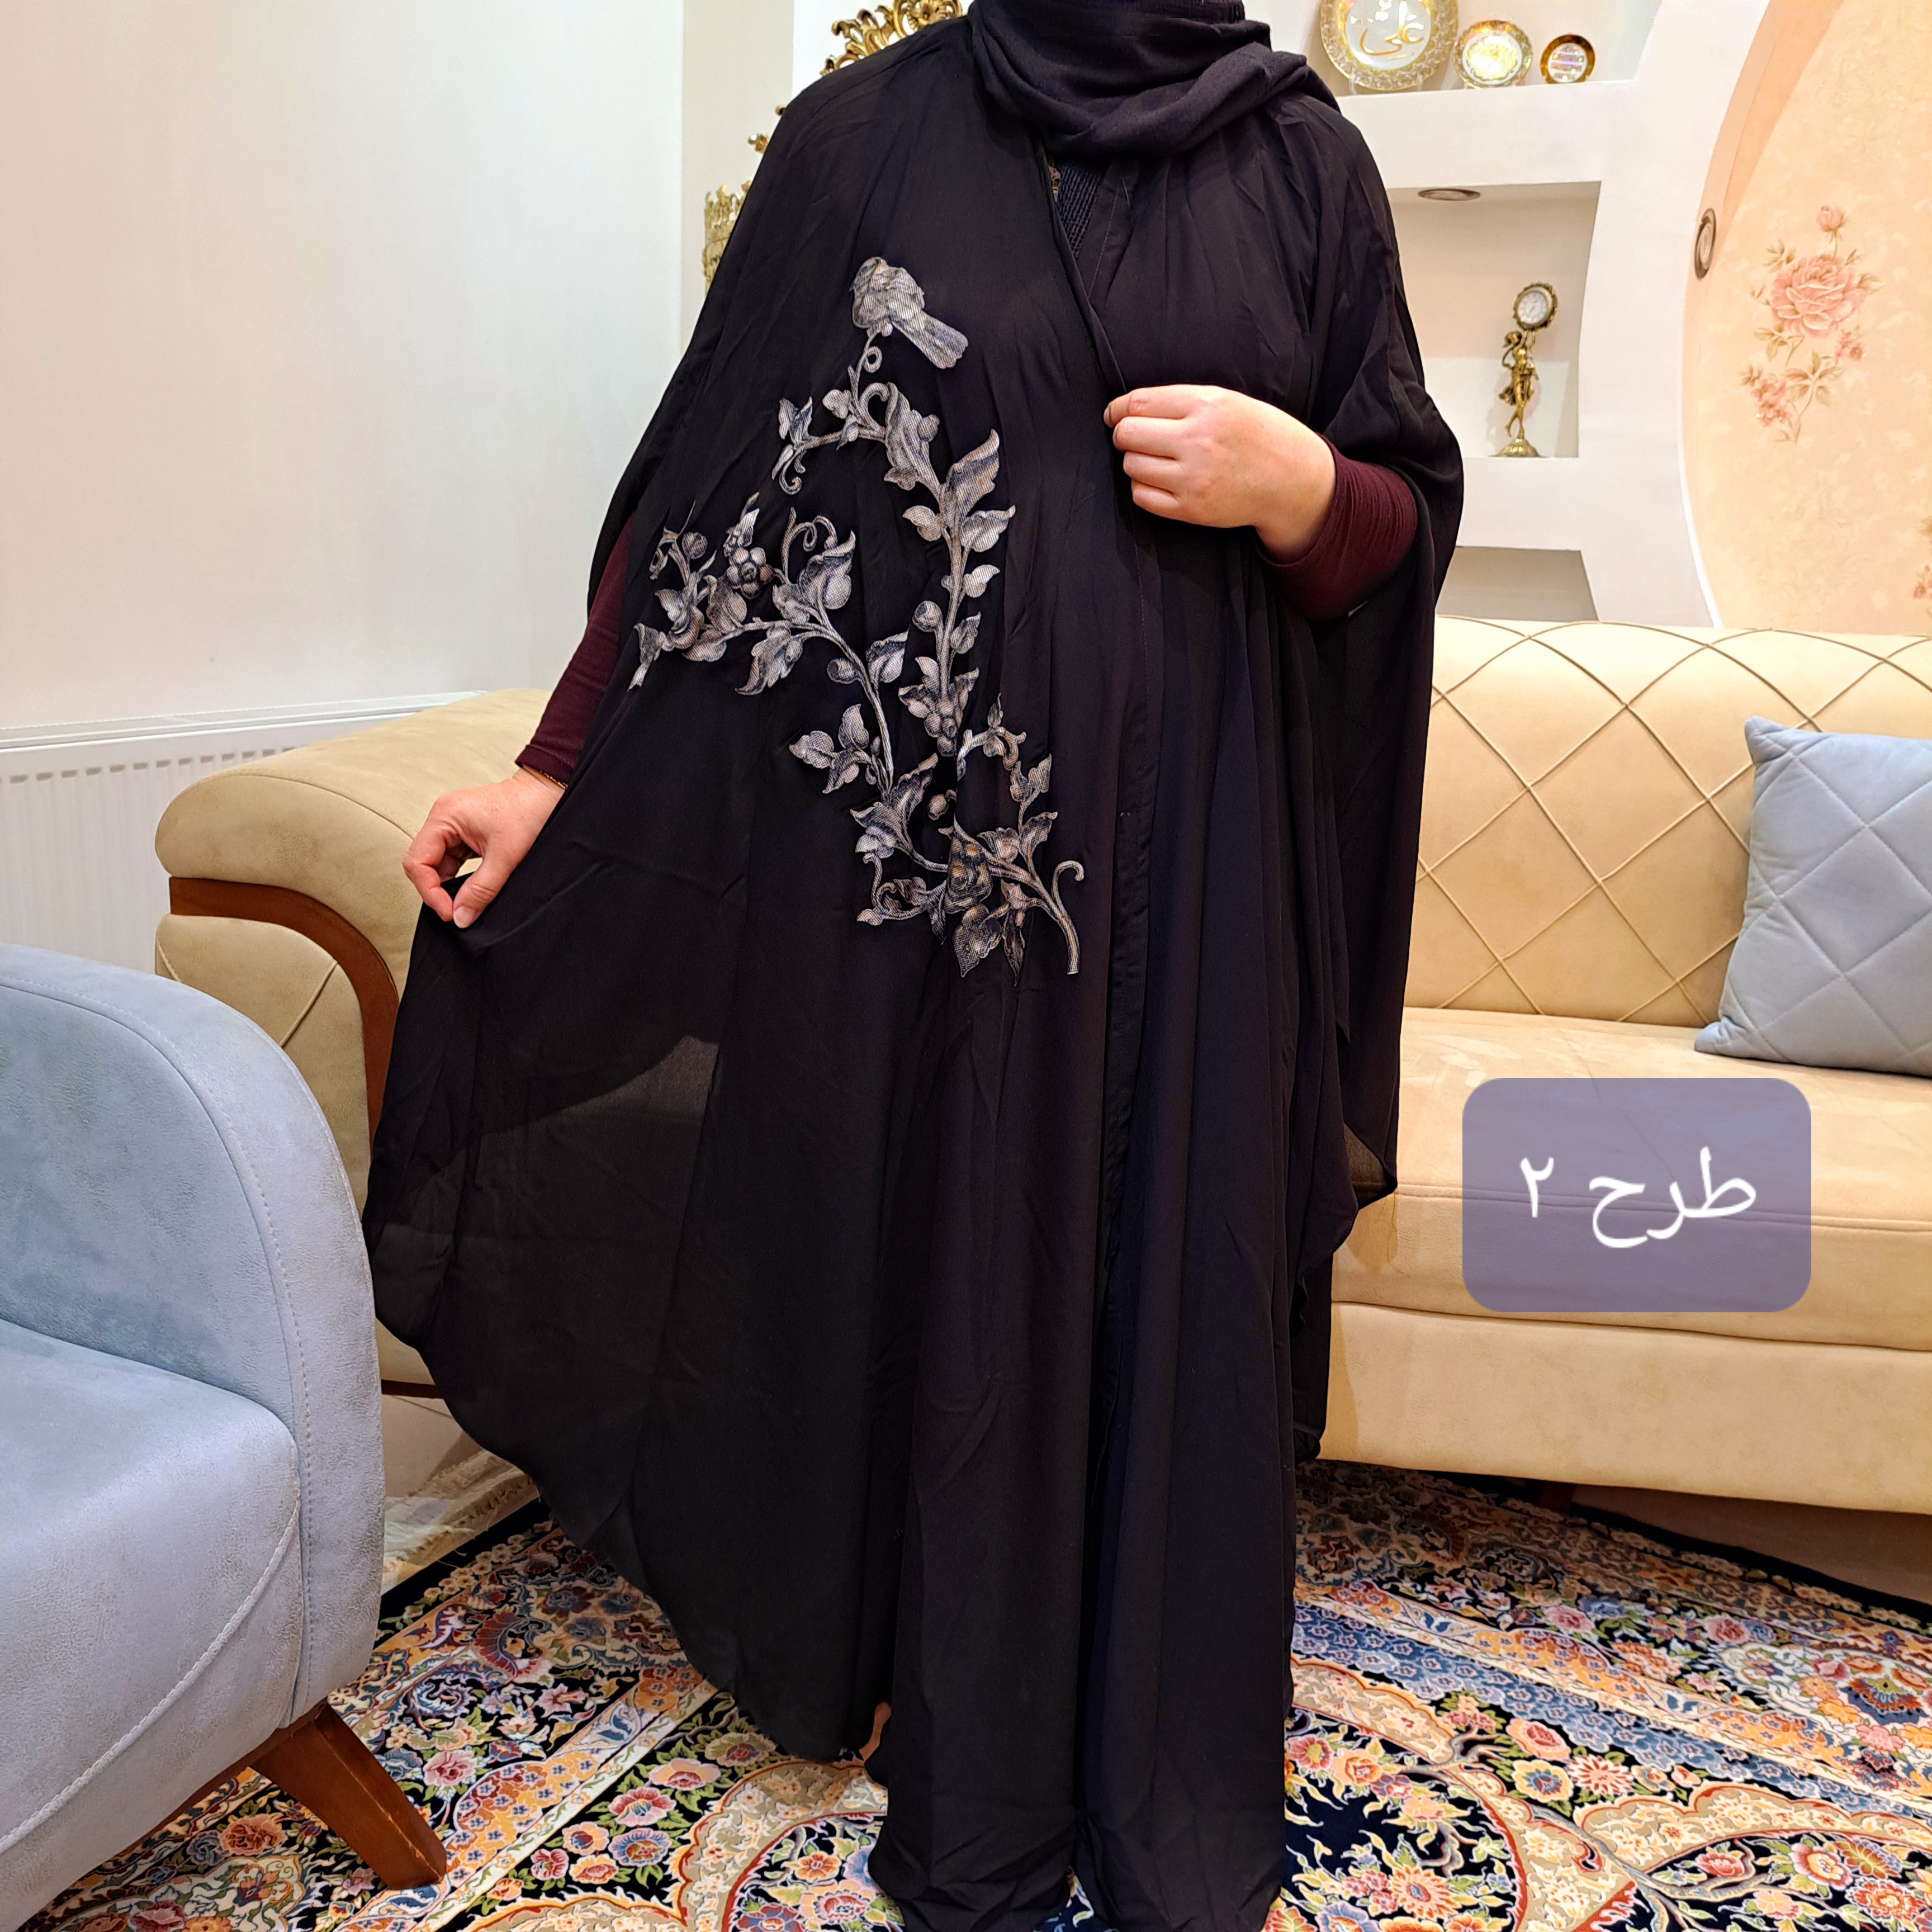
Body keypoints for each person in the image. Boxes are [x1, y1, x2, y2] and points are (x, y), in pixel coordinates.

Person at [365, 6, 1461, 1932]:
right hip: (927, 874)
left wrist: (1302, 487)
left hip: (1206, 873)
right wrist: (557, 770)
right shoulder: (861, 136)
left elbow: (1400, 505)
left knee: (1167, 1259)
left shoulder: (1305, 166)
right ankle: (950, 1703)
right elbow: (714, 490)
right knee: (954, 1256)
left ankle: (1141, 1744)